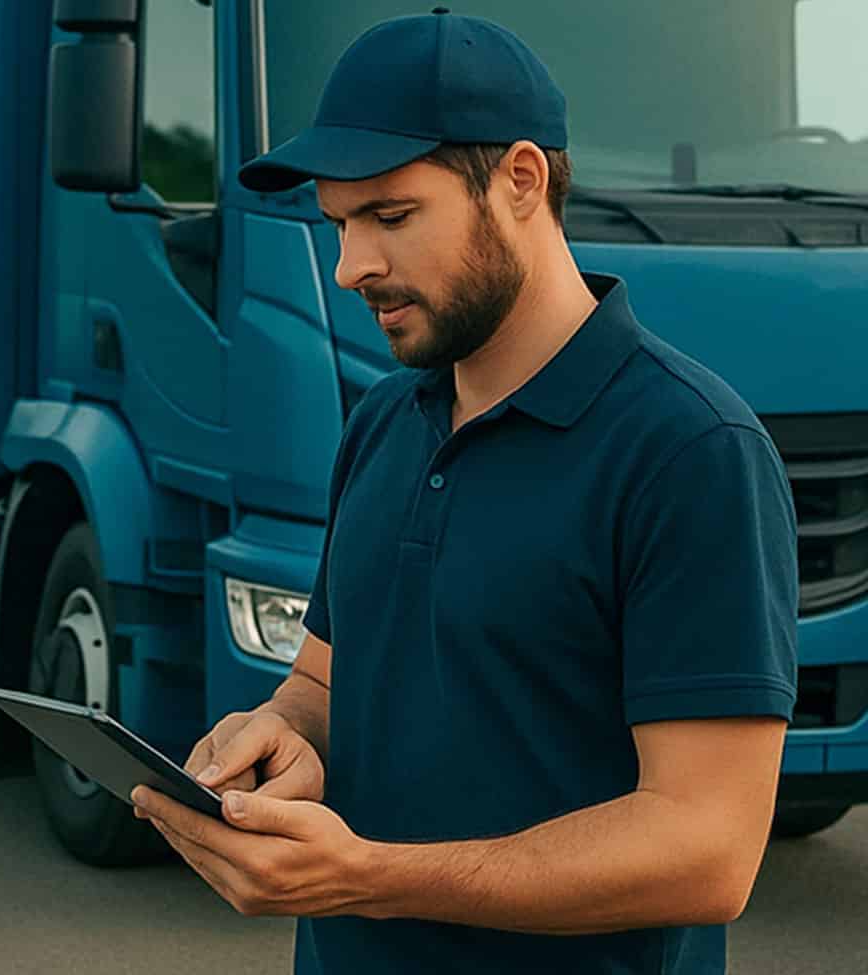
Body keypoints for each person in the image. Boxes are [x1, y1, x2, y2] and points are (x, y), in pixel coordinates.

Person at [128, 9, 798, 974]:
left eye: (391, 217)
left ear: (521, 180)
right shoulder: (384, 422)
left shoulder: (690, 451)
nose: (353, 265)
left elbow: (707, 850)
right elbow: (324, 680)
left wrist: (370, 876)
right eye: (341, 224)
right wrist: (275, 735)